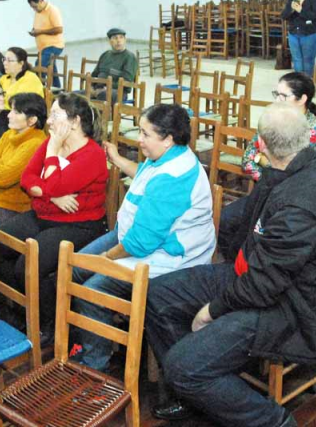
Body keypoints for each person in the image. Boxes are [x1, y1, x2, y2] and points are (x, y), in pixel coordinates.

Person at [145, 103, 316, 426]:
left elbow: (265, 285)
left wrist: (211, 311)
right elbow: (238, 228)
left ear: (262, 145)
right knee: (156, 294)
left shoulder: (304, 200)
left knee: (183, 367)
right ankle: (195, 387)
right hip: (254, 279)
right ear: (308, 137)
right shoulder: (287, 170)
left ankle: (274, 421)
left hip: (294, 307)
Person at [73, 104, 216, 371]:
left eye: (145, 133)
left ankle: (96, 363)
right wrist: (117, 159)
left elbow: (140, 243)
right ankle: (91, 336)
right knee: (75, 266)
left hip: (165, 259)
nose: (138, 139)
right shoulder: (167, 156)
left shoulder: (174, 176)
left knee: (91, 291)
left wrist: (106, 258)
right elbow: (143, 174)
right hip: (135, 241)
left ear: (168, 138)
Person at [0, 93, 108, 334]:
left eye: (55, 115)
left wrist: (52, 162)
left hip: (80, 225)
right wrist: (52, 194)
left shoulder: (92, 154)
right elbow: (27, 178)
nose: (48, 121)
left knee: (27, 264)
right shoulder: (51, 144)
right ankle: (21, 309)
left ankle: (49, 325)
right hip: (44, 214)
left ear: (75, 121)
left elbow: (52, 184)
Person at [219, 72, 316, 261]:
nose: (277, 100)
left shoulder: (314, 129)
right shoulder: (273, 117)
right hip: (264, 189)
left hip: (291, 198)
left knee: (263, 236)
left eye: (283, 96)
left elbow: (291, 173)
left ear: (302, 99)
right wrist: (269, 171)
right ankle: (232, 268)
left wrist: (262, 160)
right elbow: (248, 159)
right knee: (225, 221)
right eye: (276, 94)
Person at [0, 93, 47, 226]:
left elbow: (3, 178)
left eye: (16, 112)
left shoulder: (35, 144)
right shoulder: (10, 134)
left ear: (32, 120)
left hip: (12, 206)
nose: (9, 115)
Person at [280, 0, 316, 77]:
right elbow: (283, 16)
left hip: (310, 33)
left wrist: (301, 10)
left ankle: (307, 84)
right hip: (294, 33)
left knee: (308, 60)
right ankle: (298, 84)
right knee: (296, 59)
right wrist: (291, 9)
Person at [28, 0, 65, 88]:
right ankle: (58, 91)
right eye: (32, 7)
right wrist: (34, 31)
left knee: (39, 65)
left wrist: (40, 32)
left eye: (35, 6)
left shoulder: (52, 10)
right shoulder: (38, 12)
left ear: (41, 1)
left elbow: (59, 29)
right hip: (44, 47)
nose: (34, 9)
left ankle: (40, 90)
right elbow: (40, 27)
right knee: (52, 70)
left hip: (54, 46)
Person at [90, 28, 138, 102]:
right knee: (75, 96)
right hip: (99, 89)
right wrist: (91, 88)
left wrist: (106, 87)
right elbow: (94, 75)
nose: (118, 41)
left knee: (103, 95)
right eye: (115, 38)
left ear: (125, 40)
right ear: (109, 41)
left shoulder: (129, 57)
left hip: (118, 92)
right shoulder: (105, 55)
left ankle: (103, 113)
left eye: (121, 37)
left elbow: (126, 82)